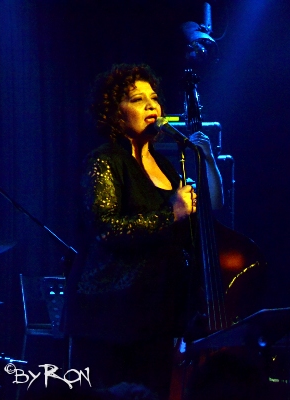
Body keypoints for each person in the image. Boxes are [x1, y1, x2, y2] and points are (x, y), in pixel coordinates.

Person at [65, 63, 223, 398]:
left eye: (154, 98)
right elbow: (106, 229)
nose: (151, 105)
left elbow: (207, 210)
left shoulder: (165, 165)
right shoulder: (105, 160)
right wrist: (170, 214)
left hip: (156, 313)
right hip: (111, 317)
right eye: (137, 99)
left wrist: (207, 158)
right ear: (114, 113)